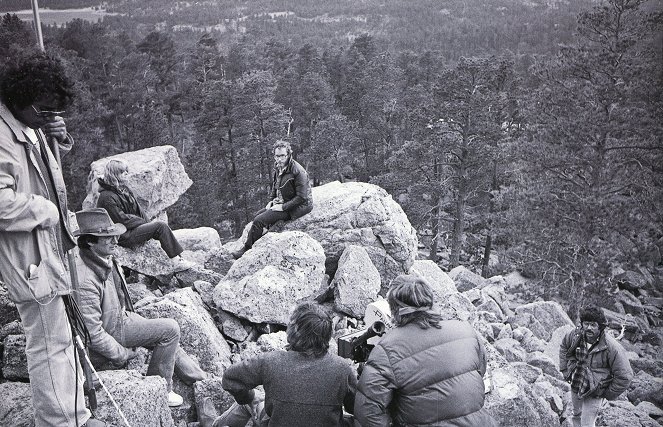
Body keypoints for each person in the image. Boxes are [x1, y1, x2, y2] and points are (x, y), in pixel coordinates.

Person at [0, 52, 103, 426]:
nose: (48, 116)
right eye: (44, 111)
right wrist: (46, 211)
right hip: (31, 257)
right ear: (21, 98)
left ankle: (76, 409)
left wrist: (58, 136)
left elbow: (45, 169)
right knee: (48, 342)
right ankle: (62, 420)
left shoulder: (29, 124)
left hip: (54, 248)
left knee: (65, 335)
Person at [73, 208, 209, 407]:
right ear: (90, 241)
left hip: (121, 318)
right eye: (107, 237)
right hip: (114, 330)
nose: (115, 240)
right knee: (170, 330)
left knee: (165, 334)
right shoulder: (85, 280)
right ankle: (161, 389)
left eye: (114, 235)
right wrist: (122, 354)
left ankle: (199, 378)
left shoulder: (99, 258)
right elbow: (92, 334)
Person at [354, 274, 497, 427]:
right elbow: (479, 374)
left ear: (394, 309)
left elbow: (368, 415)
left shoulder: (387, 348)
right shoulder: (467, 331)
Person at [197, 301, 356, 427]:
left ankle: (215, 425)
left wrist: (249, 396)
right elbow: (354, 407)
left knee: (253, 400)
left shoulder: (270, 361)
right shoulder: (342, 368)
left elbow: (230, 380)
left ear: (293, 332)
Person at [96, 159, 194, 270]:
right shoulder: (107, 197)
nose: (127, 174)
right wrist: (144, 223)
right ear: (115, 175)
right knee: (161, 226)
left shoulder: (123, 190)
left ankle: (178, 257)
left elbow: (139, 211)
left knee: (157, 226)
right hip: (121, 235)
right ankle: (177, 262)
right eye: (123, 172)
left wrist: (149, 225)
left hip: (130, 229)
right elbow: (121, 221)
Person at [232, 140, 313, 259]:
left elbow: (302, 197)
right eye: (277, 156)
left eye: (282, 156)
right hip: (285, 200)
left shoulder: (297, 171)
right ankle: (260, 240)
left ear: (289, 154)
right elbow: (275, 187)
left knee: (259, 220)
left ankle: (247, 250)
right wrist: (271, 201)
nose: (279, 159)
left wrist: (282, 207)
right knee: (259, 215)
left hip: (298, 206)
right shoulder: (279, 167)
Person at [559, 306, 633, 427]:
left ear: (600, 326)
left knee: (587, 424)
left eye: (593, 325)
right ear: (582, 324)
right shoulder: (575, 335)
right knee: (576, 414)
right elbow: (564, 347)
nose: (588, 328)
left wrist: (607, 394)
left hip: (595, 392)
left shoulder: (612, 347)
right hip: (576, 383)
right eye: (586, 324)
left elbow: (625, 376)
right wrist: (565, 370)